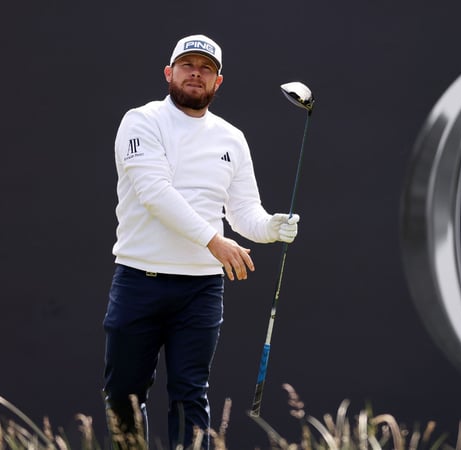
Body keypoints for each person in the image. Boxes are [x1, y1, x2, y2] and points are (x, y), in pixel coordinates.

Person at [102, 34, 299, 449]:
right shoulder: (142, 121)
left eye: (206, 68)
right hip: (140, 279)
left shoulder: (231, 137)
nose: (196, 73)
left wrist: (273, 227)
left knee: (191, 395)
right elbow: (154, 192)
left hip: (201, 288)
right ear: (169, 72)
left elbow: (244, 213)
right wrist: (215, 241)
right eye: (188, 65)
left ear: (218, 82)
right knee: (124, 395)